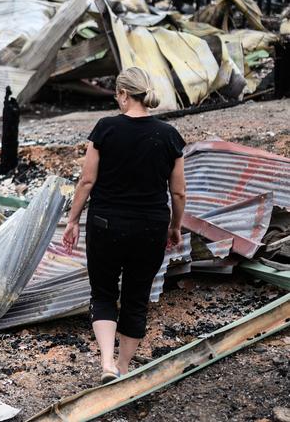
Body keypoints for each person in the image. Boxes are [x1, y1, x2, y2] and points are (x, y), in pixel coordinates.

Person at [62, 66, 187, 384]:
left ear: (123, 94)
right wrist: (175, 226)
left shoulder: (105, 129)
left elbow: (87, 181)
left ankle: (106, 363)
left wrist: (73, 220)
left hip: (106, 225)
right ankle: (125, 367)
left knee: (103, 293)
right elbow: (178, 192)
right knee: (136, 296)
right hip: (150, 227)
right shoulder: (170, 135)